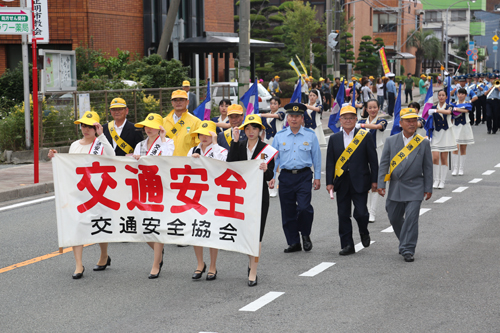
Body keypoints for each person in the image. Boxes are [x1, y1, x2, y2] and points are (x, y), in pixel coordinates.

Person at [48, 111, 115, 279]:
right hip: (78, 191)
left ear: (97, 127)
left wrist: (102, 136)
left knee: (99, 223)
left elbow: (113, 157)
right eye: (83, 125)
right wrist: (55, 158)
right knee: (76, 225)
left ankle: (104, 255)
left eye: (90, 126)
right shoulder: (75, 145)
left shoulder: (101, 143)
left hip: (98, 191)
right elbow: (69, 166)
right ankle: (79, 264)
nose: (85, 129)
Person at [377, 108, 433, 262]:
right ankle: (405, 240)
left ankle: (408, 248)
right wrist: (381, 183)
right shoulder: (391, 141)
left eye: (414, 120)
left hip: (416, 186)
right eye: (408, 120)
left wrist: (428, 188)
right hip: (396, 186)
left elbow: (428, 167)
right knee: (394, 216)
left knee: (411, 218)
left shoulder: (423, 142)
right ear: (400, 123)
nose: (411, 123)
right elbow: (384, 164)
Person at [227, 115, 276, 287]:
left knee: (257, 234)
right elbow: (230, 165)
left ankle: (253, 270)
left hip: (259, 196)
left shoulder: (266, 149)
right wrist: (233, 141)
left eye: (254, 128)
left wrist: (265, 170)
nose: (251, 132)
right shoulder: (239, 145)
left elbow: (270, 175)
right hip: (241, 196)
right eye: (247, 128)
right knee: (247, 232)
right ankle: (250, 263)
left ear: (260, 131)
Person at [325, 105, 378, 255]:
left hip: (360, 180)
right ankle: (347, 244)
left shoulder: (364, 135)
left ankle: (363, 231)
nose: (348, 120)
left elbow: (373, 161)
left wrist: (375, 180)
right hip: (341, 182)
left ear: (356, 119)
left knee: (361, 213)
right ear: (340, 120)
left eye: (351, 118)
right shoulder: (334, 139)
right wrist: (329, 182)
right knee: (343, 214)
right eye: (345, 118)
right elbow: (330, 162)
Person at [270, 103, 321, 253]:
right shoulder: (279, 136)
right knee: (288, 211)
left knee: (304, 208)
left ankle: (305, 234)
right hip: (285, 177)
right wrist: (272, 177)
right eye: (291, 116)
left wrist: (317, 177)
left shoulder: (310, 135)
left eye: (297, 116)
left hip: (304, 176)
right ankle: (293, 242)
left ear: (302, 118)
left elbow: (316, 158)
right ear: (287, 117)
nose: (294, 119)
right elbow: (274, 160)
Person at [132, 113, 175, 279]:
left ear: (160, 128)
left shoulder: (167, 142)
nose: (149, 129)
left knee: (157, 224)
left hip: (161, 187)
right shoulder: (140, 145)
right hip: (143, 188)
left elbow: (168, 158)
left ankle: (156, 263)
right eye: (147, 126)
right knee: (142, 226)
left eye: (153, 126)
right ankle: (159, 252)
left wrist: (163, 139)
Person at [187, 120, 228, 282]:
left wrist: (216, 144)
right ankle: (199, 263)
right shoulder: (193, 149)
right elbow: (183, 169)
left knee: (212, 229)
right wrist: (192, 159)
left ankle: (212, 265)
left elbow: (223, 166)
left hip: (213, 194)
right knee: (196, 228)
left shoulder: (221, 150)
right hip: (195, 194)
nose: (204, 137)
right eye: (201, 134)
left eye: (208, 134)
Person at [357, 99, 388, 222]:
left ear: (378, 108)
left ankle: (372, 212)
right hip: (363, 155)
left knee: (375, 183)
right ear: (366, 109)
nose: (372, 110)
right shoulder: (360, 121)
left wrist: (361, 126)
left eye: (375, 107)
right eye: (370, 107)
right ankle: (367, 210)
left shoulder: (382, 120)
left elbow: (377, 127)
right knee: (365, 184)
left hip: (377, 153)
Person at [428, 90, 456, 189]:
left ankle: (442, 181)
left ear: (446, 97)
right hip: (436, 134)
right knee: (435, 157)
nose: (441, 97)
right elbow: (429, 121)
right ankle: (436, 180)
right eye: (439, 95)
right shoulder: (433, 107)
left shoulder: (449, 106)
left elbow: (449, 112)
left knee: (444, 158)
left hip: (446, 134)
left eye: (443, 95)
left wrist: (436, 111)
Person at [162, 89, 201, 156]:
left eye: (181, 100)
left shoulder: (196, 122)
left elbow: (200, 145)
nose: (178, 102)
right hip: (168, 163)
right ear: (172, 103)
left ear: (187, 102)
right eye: (175, 100)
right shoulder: (163, 122)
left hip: (187, 163)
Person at [450, 88, 475, 176]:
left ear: (465, 95)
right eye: (459, 94)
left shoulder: (468, 103)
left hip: (464, 127)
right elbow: (450, 112)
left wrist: (456, 109)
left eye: (462, 94)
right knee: (455, 148)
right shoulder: (453, 104)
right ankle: (455, 168)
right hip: (455, 128)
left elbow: (467, 110)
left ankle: (461, 168)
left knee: (463, 148)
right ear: (457, 95)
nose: (460, 95)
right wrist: (454, 108)